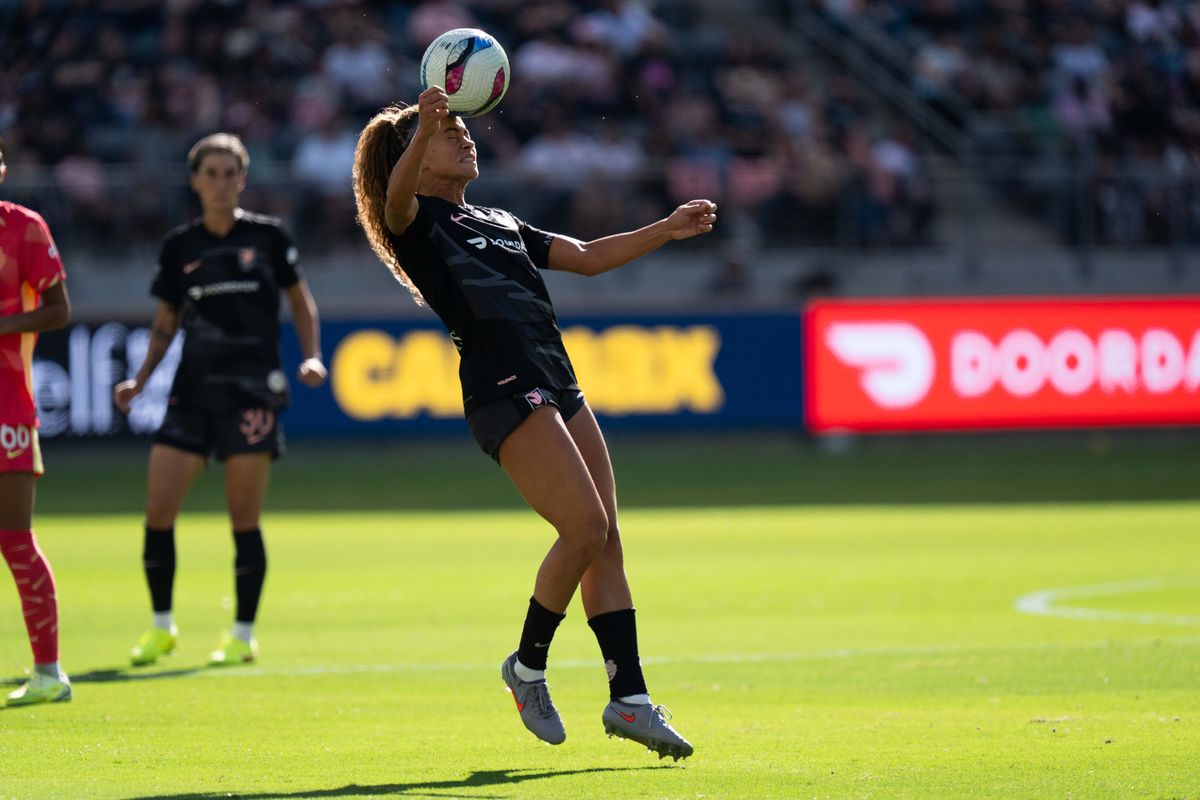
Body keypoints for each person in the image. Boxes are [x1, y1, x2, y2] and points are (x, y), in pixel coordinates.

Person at [352, 88, 717, 760]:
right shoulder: (418, 221)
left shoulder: (497, 219)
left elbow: (584, 254)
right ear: (416, 158)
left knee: (605, 541)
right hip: (501, 385)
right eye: (448, 132)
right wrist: (422, 125)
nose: (465, 138)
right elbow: (394, 203)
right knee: (583, 528)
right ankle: (525, 667)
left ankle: (630, 700)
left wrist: (665, 228)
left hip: (557, 378)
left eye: (464, 129)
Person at [113, 133, 327, 668]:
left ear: (242, 179)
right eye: (210, 173)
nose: (220, 182)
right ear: (194, 181)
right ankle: (161, 627)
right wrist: (139, 381)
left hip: (251, 393)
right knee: (158, 512)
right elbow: (165, 326)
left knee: (243, 519)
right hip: (191, 392)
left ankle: (242, 633)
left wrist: (312, 355)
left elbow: (301, 303)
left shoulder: (270, 238)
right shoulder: (180, 247)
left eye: (229, 173)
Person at [0, 134, 73, 706]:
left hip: (7, 403)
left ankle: (48, 672)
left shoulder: (22, 228)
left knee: (15, 538)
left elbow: (58, 309)